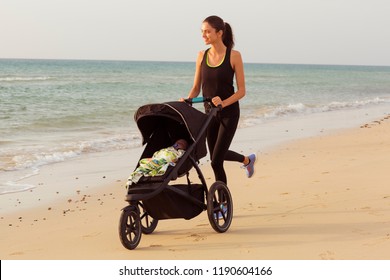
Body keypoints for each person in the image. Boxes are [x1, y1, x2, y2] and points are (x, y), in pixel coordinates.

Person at [184, 15, 256, 184]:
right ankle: (247, 160)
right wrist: (186, 101)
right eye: (202, 32)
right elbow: (196, 87)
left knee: (216, 160)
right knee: (216, 156)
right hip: (210, 114)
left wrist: (223, 103)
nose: (203, 35)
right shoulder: (201, 55)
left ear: (219, 33)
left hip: (229, 113)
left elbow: (242, 91)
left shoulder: (234, 56)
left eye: (207, 32)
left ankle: (222, 203)